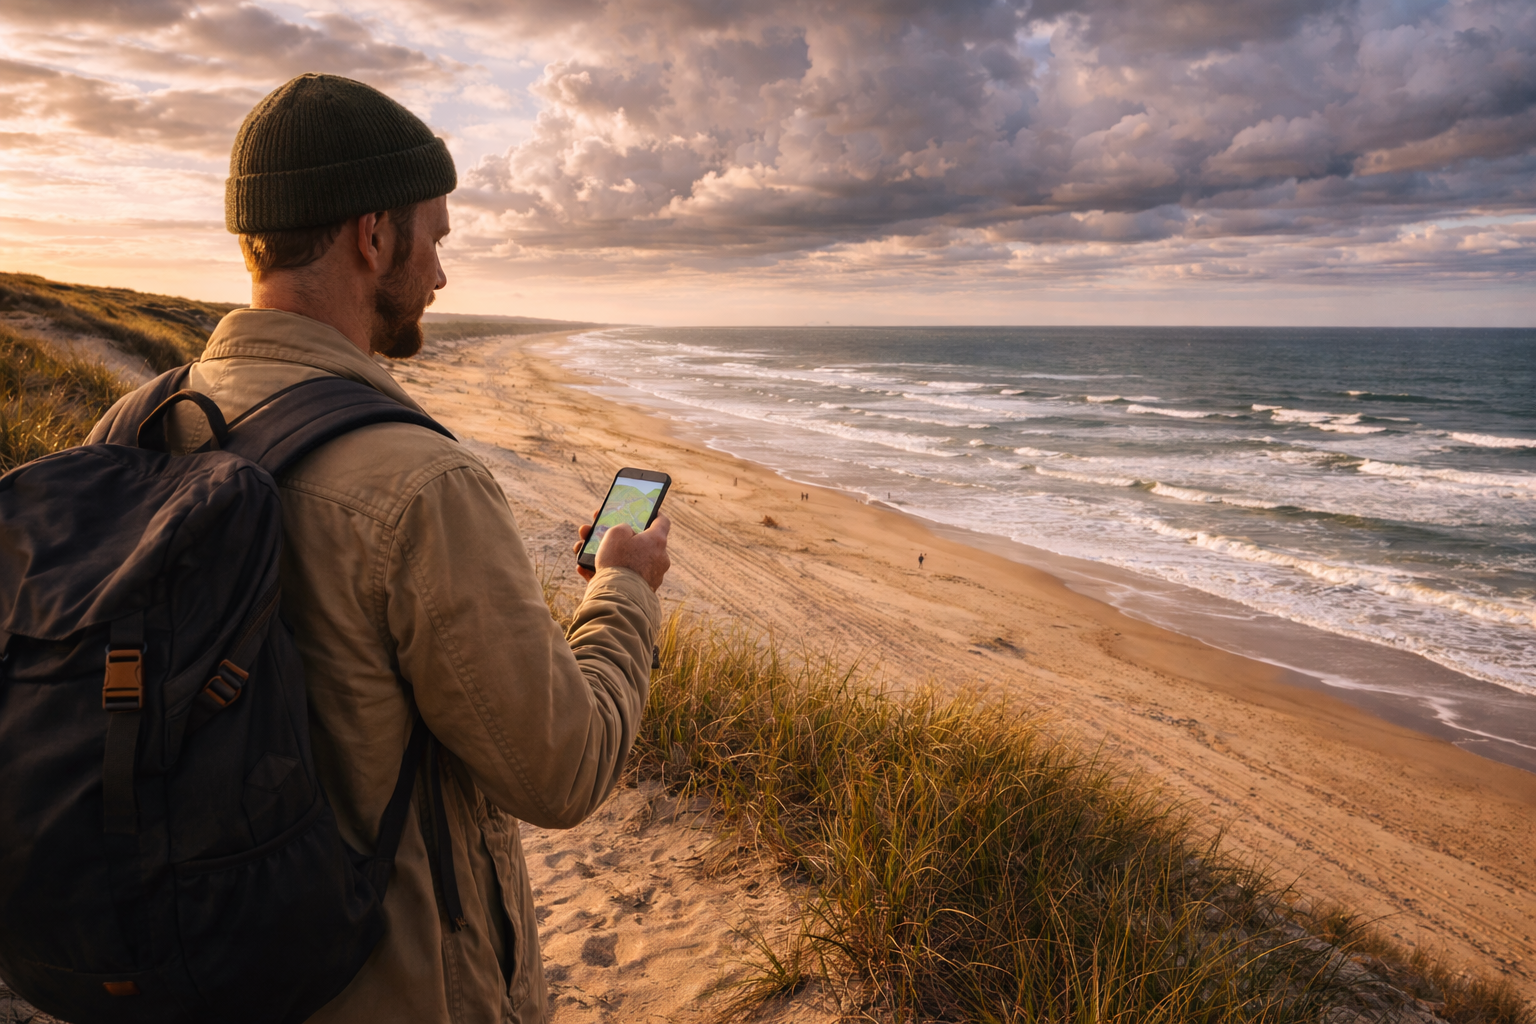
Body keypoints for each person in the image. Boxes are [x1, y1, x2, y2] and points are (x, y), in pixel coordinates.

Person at [97, 74, 669, 1024]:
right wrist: (622, 589)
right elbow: (562, 767)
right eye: (434, 237)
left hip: (179, 963)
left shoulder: (130, 426)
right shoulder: (417, 485)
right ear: (374, 235)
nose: (441, 276)